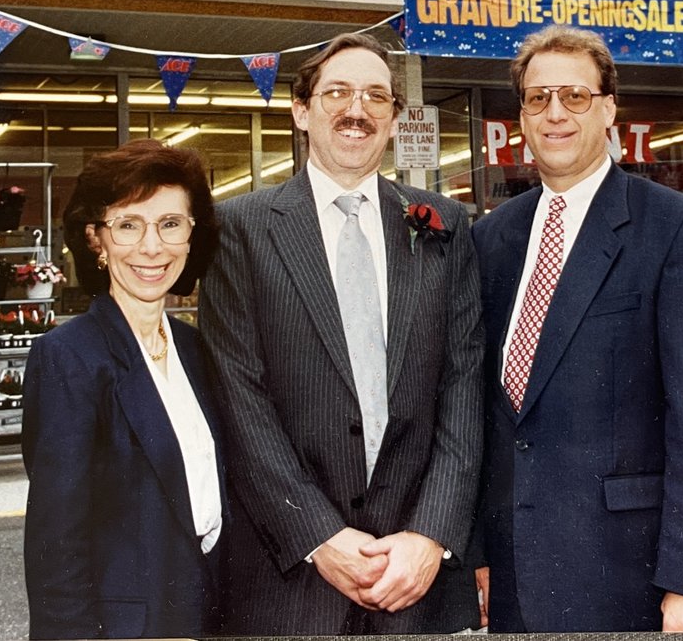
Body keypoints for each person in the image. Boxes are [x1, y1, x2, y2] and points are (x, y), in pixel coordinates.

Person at [199, 32, 484, 635]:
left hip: (416, 577)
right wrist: (318, 536)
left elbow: (464, 390)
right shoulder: (240, 230)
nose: (357, 110)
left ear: (394, 118)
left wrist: (431, 534)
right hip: (292, 576)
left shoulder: (443, 223)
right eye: (337, 92)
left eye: (376, 96)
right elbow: (239, 400)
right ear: (301, 111)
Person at [471, 25, 683, 633]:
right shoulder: (492, 238)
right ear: (521, 116)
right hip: (516, 576)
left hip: (630, 576)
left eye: (575, 96)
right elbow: (489, 414)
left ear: (608, 109)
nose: (556, 114)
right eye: (538, 99)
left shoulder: (676, 228)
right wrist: (482, 553)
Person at [22, 138, 225, 640]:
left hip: (202, 616)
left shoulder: (194, 348)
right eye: (128, 225)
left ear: (191, 236)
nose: (152, 247)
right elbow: (57, 542)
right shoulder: (69, 357)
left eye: (170, 224)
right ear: (96, 239)